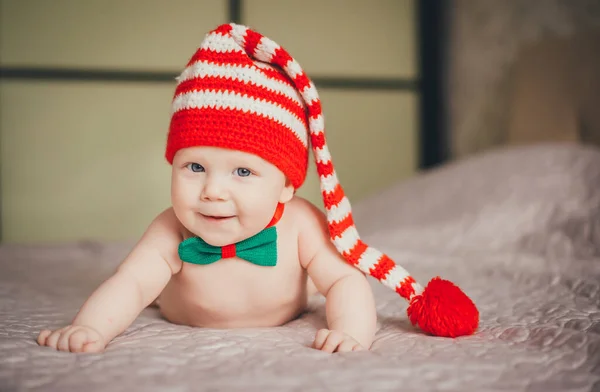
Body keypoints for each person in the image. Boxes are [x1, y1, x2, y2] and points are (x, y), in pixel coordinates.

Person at [37, 23, 478, 354]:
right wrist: (91, 328)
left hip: (291, 303)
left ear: (286, 185)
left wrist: (350, 332)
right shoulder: (170, 229)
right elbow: (130, 284)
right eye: (194, 166)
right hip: (176, 311)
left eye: (243, 173)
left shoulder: (302, 224)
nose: (212, 191)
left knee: (321, 281)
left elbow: (345, 279)